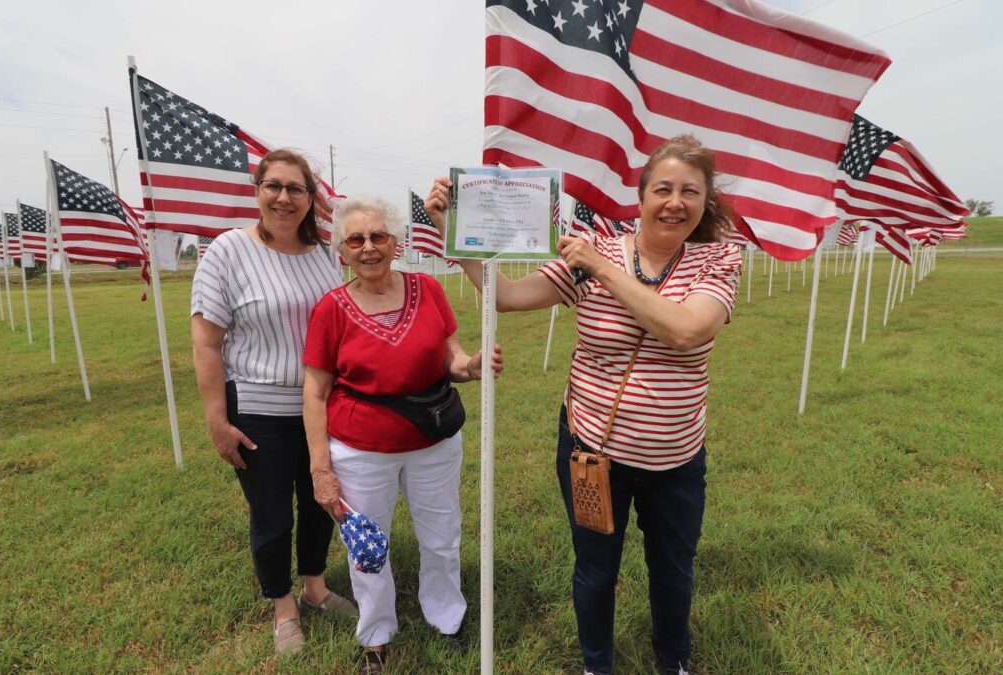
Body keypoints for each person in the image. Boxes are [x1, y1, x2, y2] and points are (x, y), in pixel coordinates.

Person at [424, 135, 742, 675]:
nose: (675, 202)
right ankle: (597, 664)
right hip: (593, 450)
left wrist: (602, 267)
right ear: (640, 197)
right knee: (596, 569)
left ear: (704, 203)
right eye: (663, 188)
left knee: (674, 569)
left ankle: (674, 661)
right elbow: (506, 295)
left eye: (690, 192)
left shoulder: (718, 258)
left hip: (676, 458)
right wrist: (449, 229)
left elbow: (687, 330)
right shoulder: (588, 256)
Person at [302, 196, 503, 675]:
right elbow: (315, 393)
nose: (369, 247)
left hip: (432, 443)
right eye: (356, 239)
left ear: (397, 243)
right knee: (367, 547)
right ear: (342, 252)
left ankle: (446, 616)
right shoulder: (330, 309)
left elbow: (449, 357)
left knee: (441, 535)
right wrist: (319, 468)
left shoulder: (428, 288)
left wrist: (470, 367)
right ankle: (375, 633)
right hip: (358, 451)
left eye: (378, 236)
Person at [191, 148, 356, 656]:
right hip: (258, 410)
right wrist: (217, 420)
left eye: (296, 189)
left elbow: (382, 250)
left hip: (322, 409)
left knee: (318, 503)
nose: (284, 198)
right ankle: (283, 605)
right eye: (274, 186)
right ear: (257, 191)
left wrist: (332, 213)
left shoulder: (328, 256)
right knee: (271, 513)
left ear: (311, 198)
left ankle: (314, 585)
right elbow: (206, 341)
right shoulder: (227, 251)